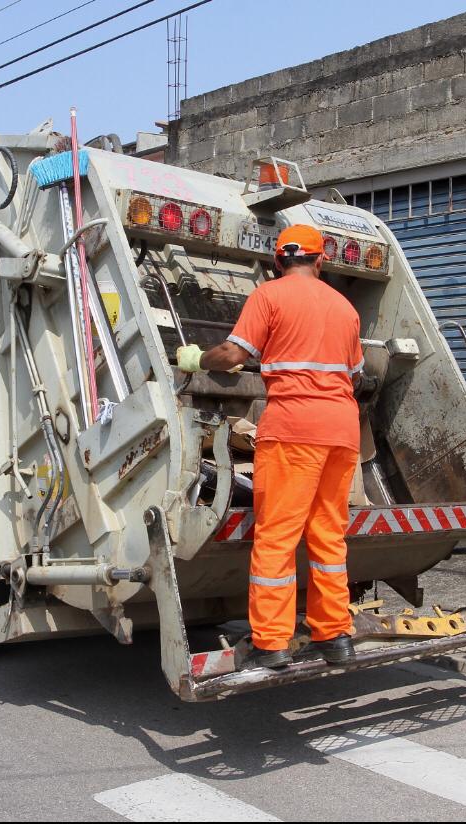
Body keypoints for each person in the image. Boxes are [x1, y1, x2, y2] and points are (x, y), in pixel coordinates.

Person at [176, 224, 363, 670]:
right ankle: (334, 636)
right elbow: (356, 374)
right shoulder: (345, 307)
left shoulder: (269, 296)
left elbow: (234, 355)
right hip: (341, 430)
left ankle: (272, 643)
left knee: (277, 535)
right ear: (320, 261)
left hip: (293, 429)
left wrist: (196, 358)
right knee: (328, 535)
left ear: (279, 261)